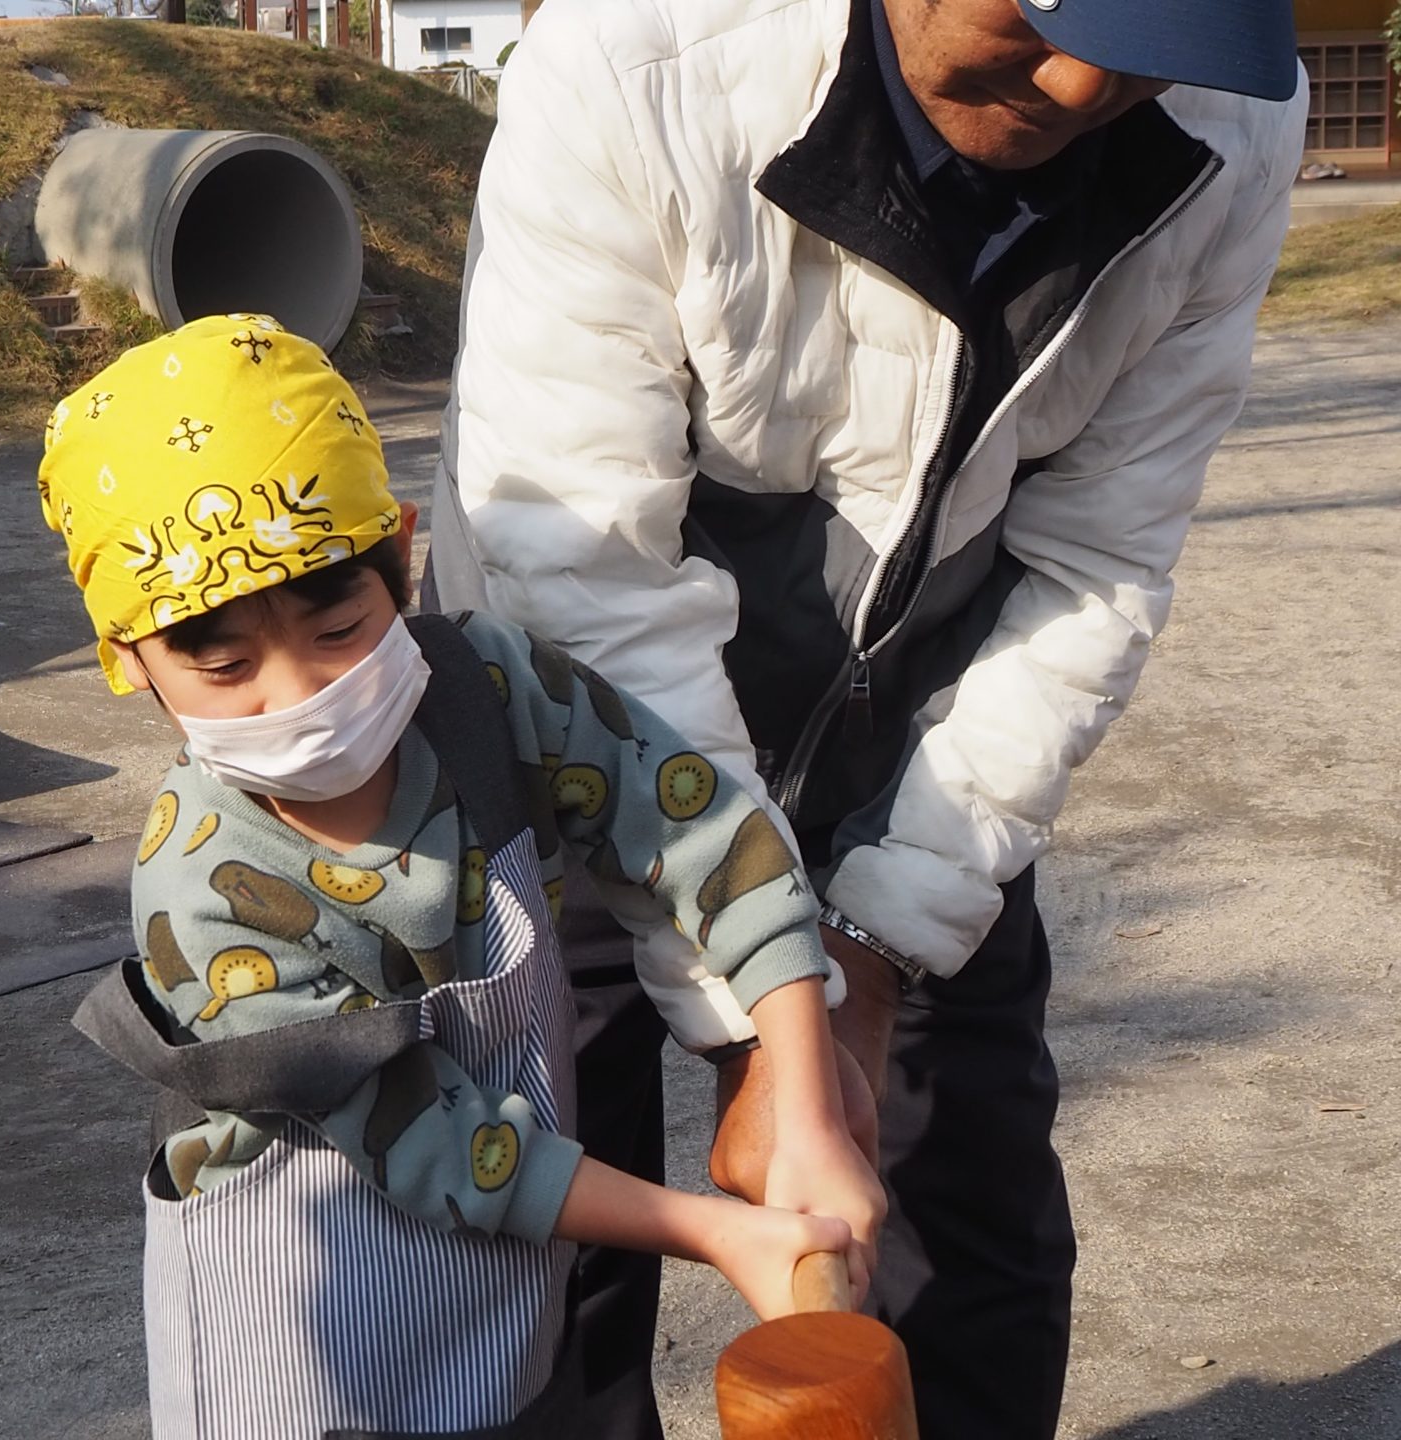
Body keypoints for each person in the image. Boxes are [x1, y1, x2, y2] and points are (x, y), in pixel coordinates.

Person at [426, 0, 1307, 1435]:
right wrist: (765, 1034)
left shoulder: (1235, 120)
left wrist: (878, 952)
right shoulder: (634, 62)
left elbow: (1096, 565)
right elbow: (592, 576)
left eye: (1160, 33)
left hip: (917, 723)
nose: (1088, 78)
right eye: (1041, 4)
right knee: (535, 1221)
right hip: (567, 721)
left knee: (964, 1217)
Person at [37, 315, 883, 1437]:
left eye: (339, 626)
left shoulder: (489, 693)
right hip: (299, 1340)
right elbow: (437, 1142)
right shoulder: (203, 892)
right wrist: (720, 1232)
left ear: (401, 549)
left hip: (498, 1291)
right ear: (124, 659)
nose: (298, 696)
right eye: (226, 665)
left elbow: (705, 832)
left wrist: (808, 1108)